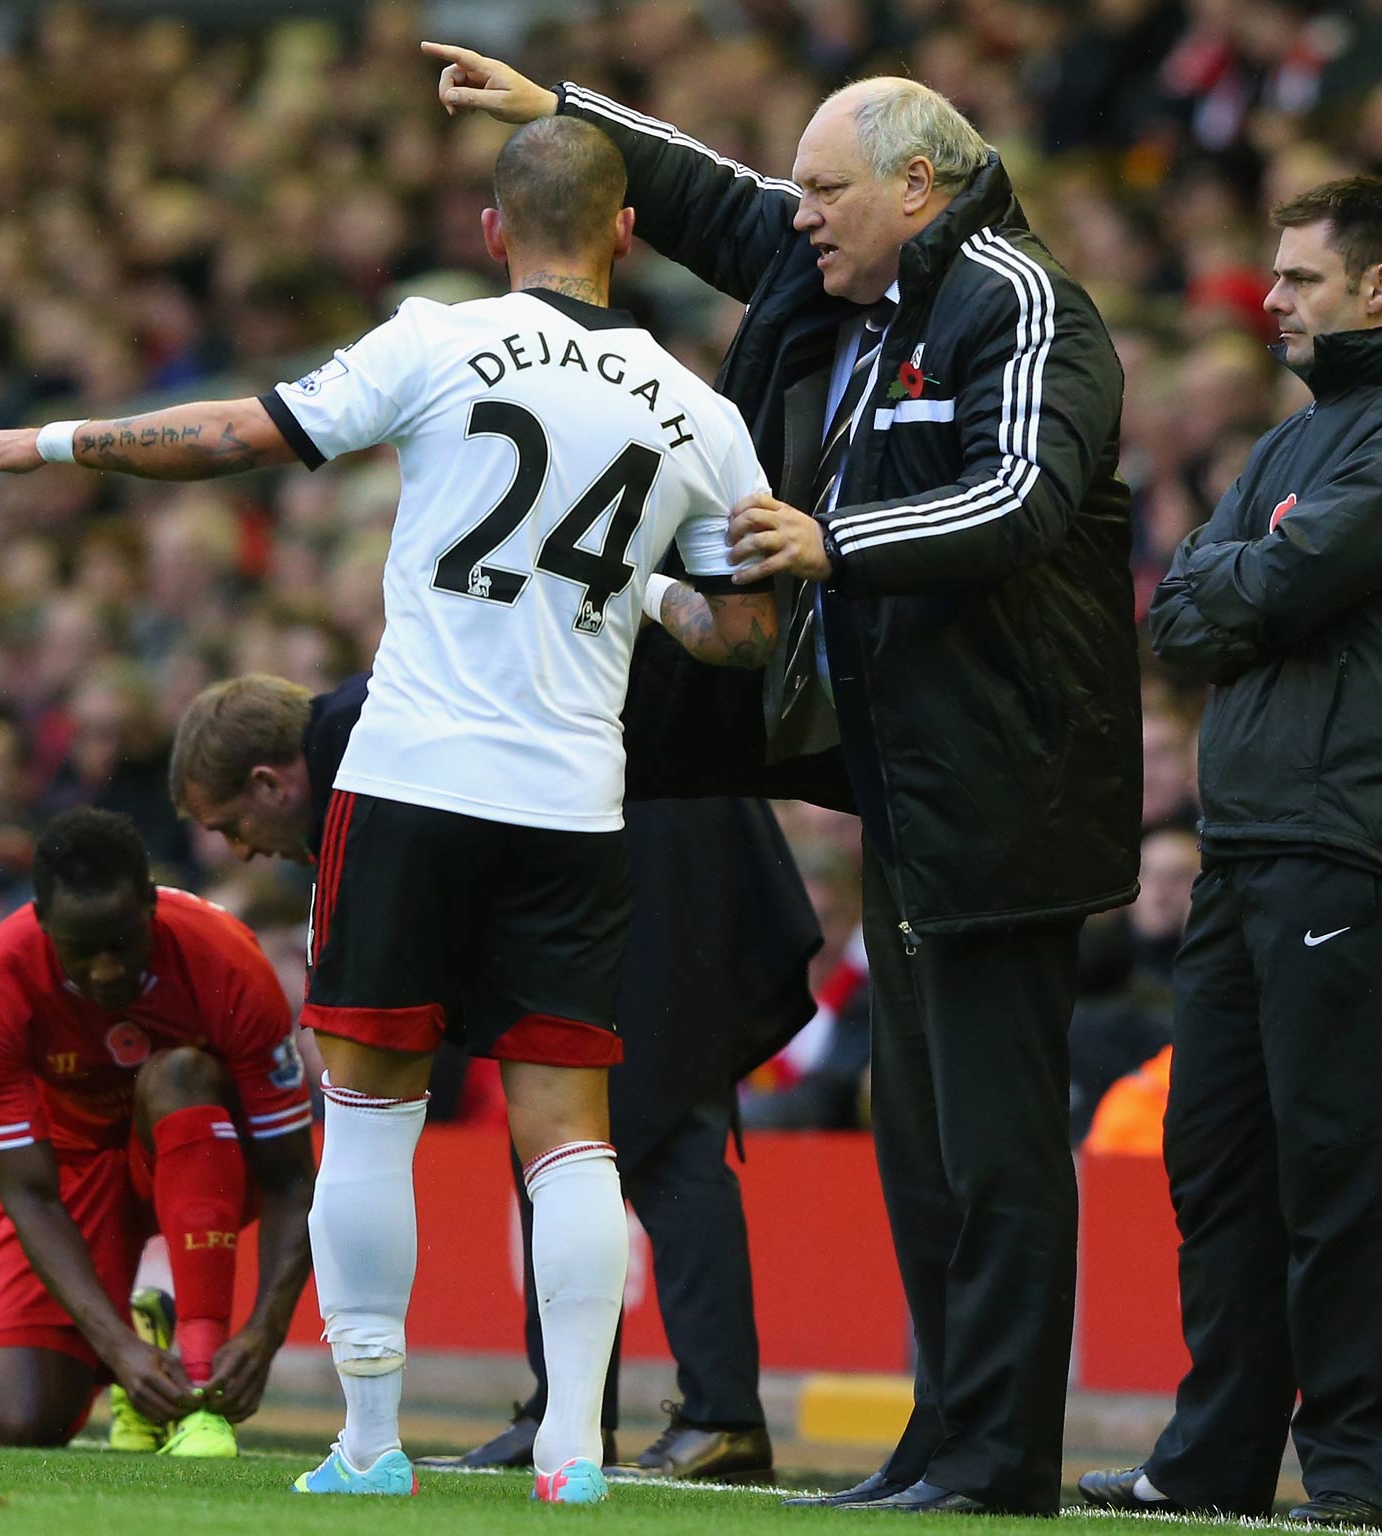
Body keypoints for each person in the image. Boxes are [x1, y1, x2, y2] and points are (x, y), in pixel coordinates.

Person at [0, 117, 780, 1504]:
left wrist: (56, 438)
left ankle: (371, 1441)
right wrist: (664, 594)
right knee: (571, 1134)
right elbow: (742, 635)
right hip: (571, 798)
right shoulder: (702, 413)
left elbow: (232, 437)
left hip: (416, 781)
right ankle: (574, 1451)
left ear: (495, 230)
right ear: (628, 232)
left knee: (370, 1111)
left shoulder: (436, 339)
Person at [424, 42, 1139, 1515]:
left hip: (1010, 780)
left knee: (993, 1143)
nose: (797, 214)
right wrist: (560, 114)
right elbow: (727, 201)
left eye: (828, 190)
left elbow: (1025, 496)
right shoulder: (859, 277)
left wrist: (833, 545)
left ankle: (999, 1459)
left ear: (917, 189)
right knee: (923, 1134)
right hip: (913, 775)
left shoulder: (1015, 297)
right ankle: (947, 1440)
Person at [1084, 177, 1382, 1531]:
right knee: (1218, 1160)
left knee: (1340, 1163)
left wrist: (1243, 576)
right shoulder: (1288, 446)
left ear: (1380, 288)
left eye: (1301, 279)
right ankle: (1214, 1461)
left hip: (1349, 838)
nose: (1271, 298)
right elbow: (1184, 616)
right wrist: (1242, 574)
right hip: (1248, 840)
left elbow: (1263, 588)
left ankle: (1368, 1473)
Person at [169, 670, 822, 1483]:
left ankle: (720, 1421)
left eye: (231, 825)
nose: (240, 851)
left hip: (653, 843)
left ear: (269, 781)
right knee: (565, 1138)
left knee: (664, 1144)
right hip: (640, 834)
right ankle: (573, 1416)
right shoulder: (386, 701)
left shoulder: (365, 738)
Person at [0, 807, 316, 1457]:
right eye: (82, 951)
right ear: (41, 923)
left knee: (178, 1076)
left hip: (209, 1152)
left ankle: (199, 1379)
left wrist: (264, 1331)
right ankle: (147, 1333)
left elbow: (291, 1176)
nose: (108, 970)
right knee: (14, 1424)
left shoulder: (226, 959)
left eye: (122, 940)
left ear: (150, 904)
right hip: (77, 1166)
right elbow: (29, 1194)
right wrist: (118, 1346)